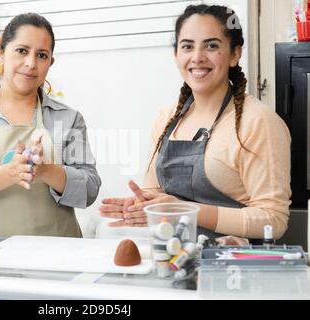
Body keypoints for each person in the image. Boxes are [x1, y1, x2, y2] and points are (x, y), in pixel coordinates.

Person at [100, 4, 291, 241]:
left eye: (211, 45)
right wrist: (144, 206)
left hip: (234, 268)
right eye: (187, 46)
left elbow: (272, 220)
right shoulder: (166, 118)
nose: (197, 57)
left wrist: (185, 211)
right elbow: (154, 192)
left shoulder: (258, 122)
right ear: (176, 55)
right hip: (172, 260)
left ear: (234, 54)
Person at [0, 13, 101, 238]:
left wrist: (46, 170)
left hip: (59, 256)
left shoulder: (68, 119)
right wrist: (11, 172)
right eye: (22, 51)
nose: (31, 63)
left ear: (50, 63)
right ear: (0, 53)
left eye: (42, 55)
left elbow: (89, 190)